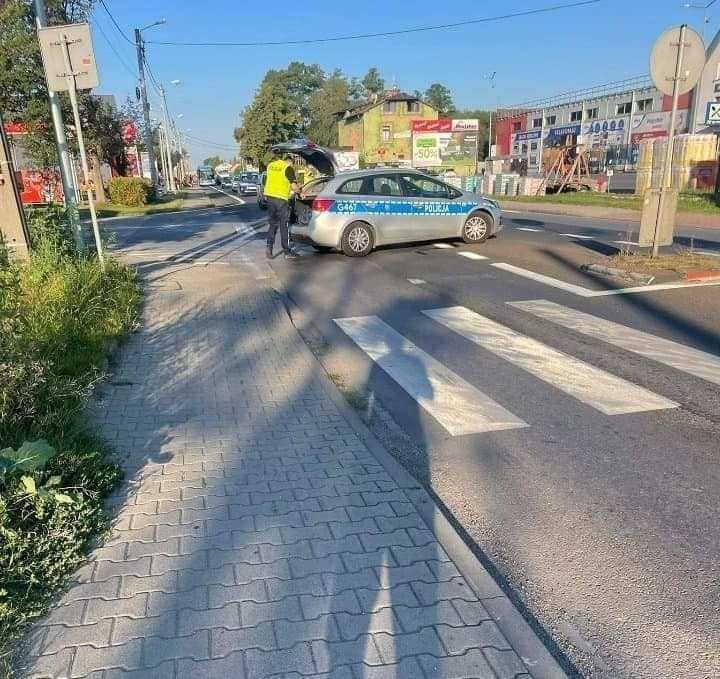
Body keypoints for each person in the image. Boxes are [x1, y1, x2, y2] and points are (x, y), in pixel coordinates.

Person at [263, 152, 300, 260]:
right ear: (290, 162)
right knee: (284, 225)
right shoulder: (287, 168)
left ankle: (269, 249)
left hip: (269, 198)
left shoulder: (271, 166)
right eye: (292, 164)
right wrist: (299, 191)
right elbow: (293, 186)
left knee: (273, 224)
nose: (292, 166)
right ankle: (287, 252)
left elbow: (267, 180)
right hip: (281, 200)